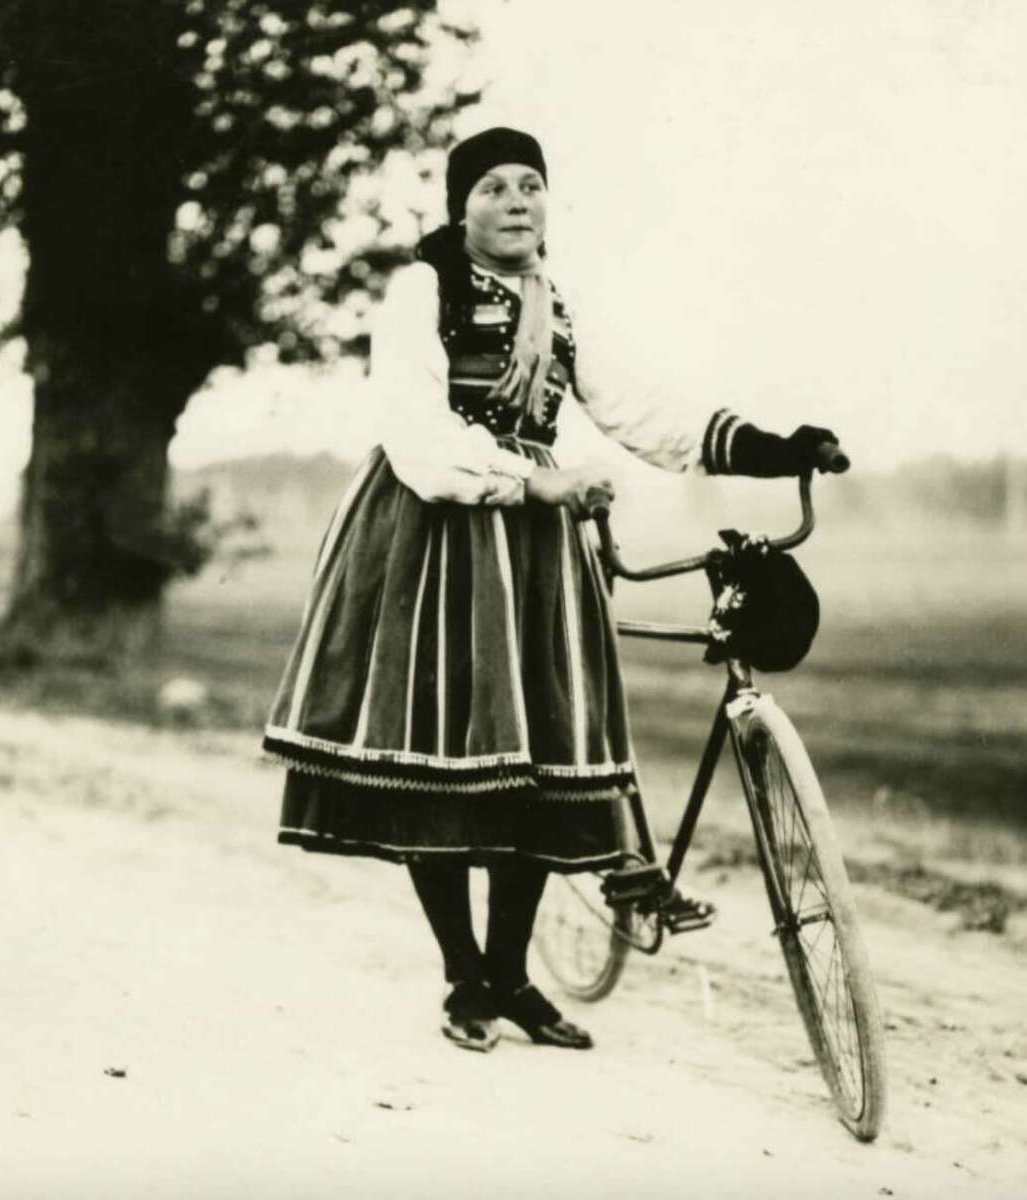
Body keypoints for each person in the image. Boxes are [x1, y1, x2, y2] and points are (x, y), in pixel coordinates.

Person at [264, 127, 837, 1053]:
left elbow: (642, 410)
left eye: (530, 184)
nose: (516, 201)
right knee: (442, 750)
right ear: (461, 207)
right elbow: (414, 428)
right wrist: (535, 481)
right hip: (434, 530)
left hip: (535, 542)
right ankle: (464, 976)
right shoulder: (423, 289)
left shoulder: (556, 304)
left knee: (539, 756)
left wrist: (771, 450)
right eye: (492, 187)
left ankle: (512, 977)